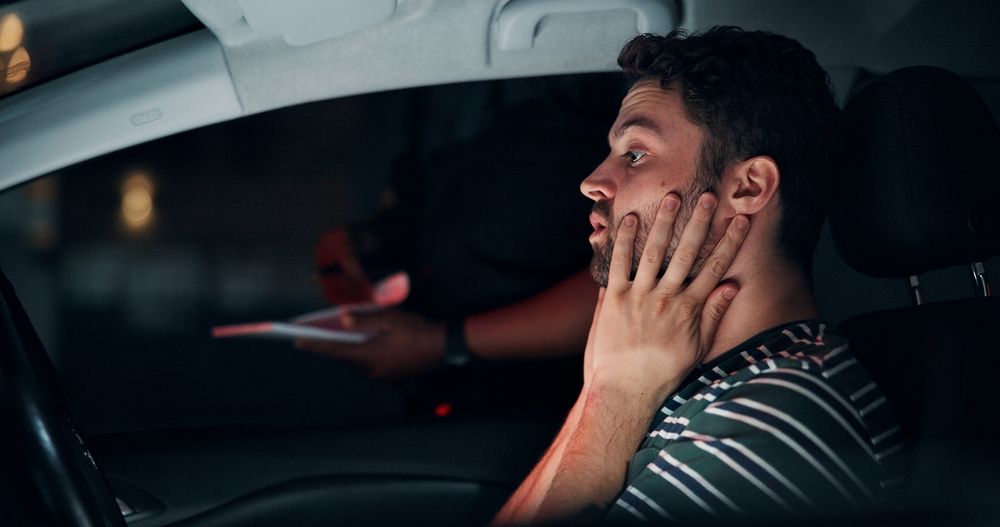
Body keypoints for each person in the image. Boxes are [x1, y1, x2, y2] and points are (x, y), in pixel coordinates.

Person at [493, 27, 902, 525]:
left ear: (749, 187)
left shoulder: (768, 424)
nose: (592, 182)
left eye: (635, 154)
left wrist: (614, 399)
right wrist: (600, 389)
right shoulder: (685, 377)